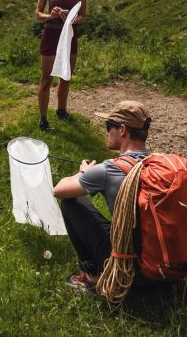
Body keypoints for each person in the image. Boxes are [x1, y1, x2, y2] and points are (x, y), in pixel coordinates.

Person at [52, 100, 152, 293]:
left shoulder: (110, 169)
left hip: (130, 270)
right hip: (161, 264)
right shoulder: (158, 164)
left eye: (109, 126)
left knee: (72, 203)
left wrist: (83, 172)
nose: (107, 132)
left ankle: (93, 275)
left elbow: (59, 190)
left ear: (122, 130)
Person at [34, 0, 88, 132]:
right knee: (46, 79)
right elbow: (38, 13)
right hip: (51, 33)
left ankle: (61, 110)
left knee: (66, 76)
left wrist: (72, 19)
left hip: (69, 35)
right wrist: (51, 15)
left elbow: (83, 15)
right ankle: (43, 118)